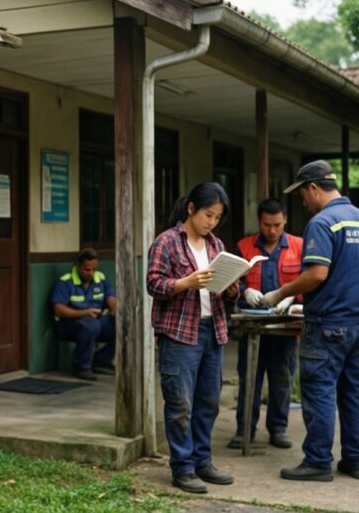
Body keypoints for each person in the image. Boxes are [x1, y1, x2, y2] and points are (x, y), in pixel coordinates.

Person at [259, 160, 359, 482]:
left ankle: (317, 462)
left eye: (302, 193)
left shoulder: (322, 222)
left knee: (320, 391)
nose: (302, 201)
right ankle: (356, 460)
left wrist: (280, 293)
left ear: (313, 187)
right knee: (355, 392)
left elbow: (316, 274)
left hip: (328, 325)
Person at [147, 182, 238, 494]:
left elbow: (226, 290)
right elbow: (154, 284)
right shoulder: (167, 242)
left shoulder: (216, 245)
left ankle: (203, 462)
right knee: (180, 403)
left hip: (213, 330)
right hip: (179, 333)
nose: (211, 222)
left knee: (208, 402)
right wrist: (185, 283)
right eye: (207, 215)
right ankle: (182, 468)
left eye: (216, 217)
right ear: (191, 208)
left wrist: (231, 286)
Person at [229, 198, 303, 450]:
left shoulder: (299, 246)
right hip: (251, 323)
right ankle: (244, 430)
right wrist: (244, 290)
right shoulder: (244, 246)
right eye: (267, 224)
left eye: (277, 225)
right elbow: (231, 279)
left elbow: (310, 279)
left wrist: (292, 296)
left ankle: (278, 429)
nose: (272, 230)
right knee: (249, 378)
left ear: (285, 221)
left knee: (282, 378)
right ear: (259, 221)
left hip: (285, 324)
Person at [50, 248, 117, 381]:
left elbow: (110, 297)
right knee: (90, 326)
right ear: (78, 266)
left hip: (97, 321)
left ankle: (101, 360)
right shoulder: (65, 282)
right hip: (69, 324)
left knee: (122, 324)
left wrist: (115, 309)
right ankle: (81, 366)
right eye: (87, 269)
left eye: (94, 269)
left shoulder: (101, 278)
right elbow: (58, 309)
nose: (90, 273)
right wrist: (85, 312)